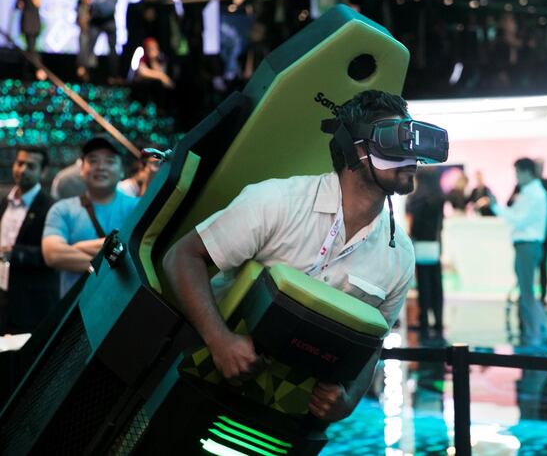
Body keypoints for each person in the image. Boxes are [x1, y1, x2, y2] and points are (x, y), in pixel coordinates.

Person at [162, 90, 447, 422]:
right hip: (203, 379)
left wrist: (349, 399)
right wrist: (220, 340)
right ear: (358, 151)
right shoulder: (277, 201)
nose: (411, 158)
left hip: (288, 415)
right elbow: (181, 257)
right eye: (396, 141)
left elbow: (373, 344)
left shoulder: (400, 255)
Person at [43, 135, 139, 297]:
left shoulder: (138, 206)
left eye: (110, 161)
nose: (101, 167)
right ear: (81, 169)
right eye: (93, 160)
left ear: (122, 170)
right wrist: (109, 261)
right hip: (75, 308)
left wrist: (77, 248)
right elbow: (53, 254)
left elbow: (140, 248)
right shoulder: (62, 209)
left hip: (126, 305)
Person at [477, 158, 547, 346]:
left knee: (527, 293)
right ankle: (541, 330)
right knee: (527, 292)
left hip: (528, 245)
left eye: (517, 173)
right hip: (525, 245)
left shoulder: (535, 194)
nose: (516, 177)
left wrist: (495, 206)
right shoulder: (530, 192)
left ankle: (535, 335)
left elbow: (518, 219)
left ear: (527, 172)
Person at [0, 146, 59, 333]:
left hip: (31, 302)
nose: (22, 169)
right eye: (19, 163)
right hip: (4, 293)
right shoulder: (5, 202)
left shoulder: (51, 207)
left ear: (43, 172)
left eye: (31, 166)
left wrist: (16, 254)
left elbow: (55, 254)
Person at [406, 169, 446, 341]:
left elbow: (413, 226)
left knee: (424, 285)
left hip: (421, 244)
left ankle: (424, 321)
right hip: (435, 245)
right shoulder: (439, 197)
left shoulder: (415, 198)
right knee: (437, 284)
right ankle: (438, 320)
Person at [77, 0, 121, 83]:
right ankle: (113, 76)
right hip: (108, 17)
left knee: (89, 46)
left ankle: (85, 73)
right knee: (112, 47)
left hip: (94, 16)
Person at [16, 0, 47, 81]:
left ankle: (38, 70)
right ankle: (32, 71)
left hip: (28, 23)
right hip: (36, 23)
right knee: (31, 48)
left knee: (31, 49)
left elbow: (17, 4)